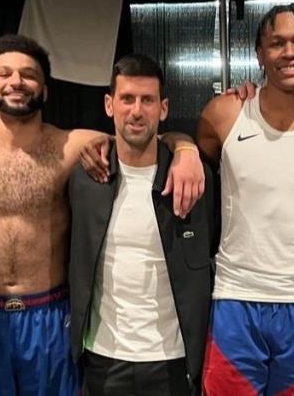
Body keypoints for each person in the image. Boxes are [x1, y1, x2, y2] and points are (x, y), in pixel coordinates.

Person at [0, 35, 205, 395]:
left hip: (49, 316)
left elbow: (141, 133)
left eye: (28, 74)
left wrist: (185, 148)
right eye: (4, 73)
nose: (16, 81)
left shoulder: (72, 145)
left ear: (45, 90)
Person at [197, 4, 294, 395]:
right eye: (277, 43)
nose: (289, 52)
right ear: (260, 55)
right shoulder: (225, 114)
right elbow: (186, 167)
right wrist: (180, 146)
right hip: (235, 301)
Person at [68, 54, 217, 395]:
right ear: (109, 105)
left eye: (147, 100)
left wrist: (185, 147)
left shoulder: (194, 180)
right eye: (127, 99)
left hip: (173, 360)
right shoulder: (85, 179)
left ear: (163, 109)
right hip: (103, 358)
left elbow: (220, 244)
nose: (136, 111)